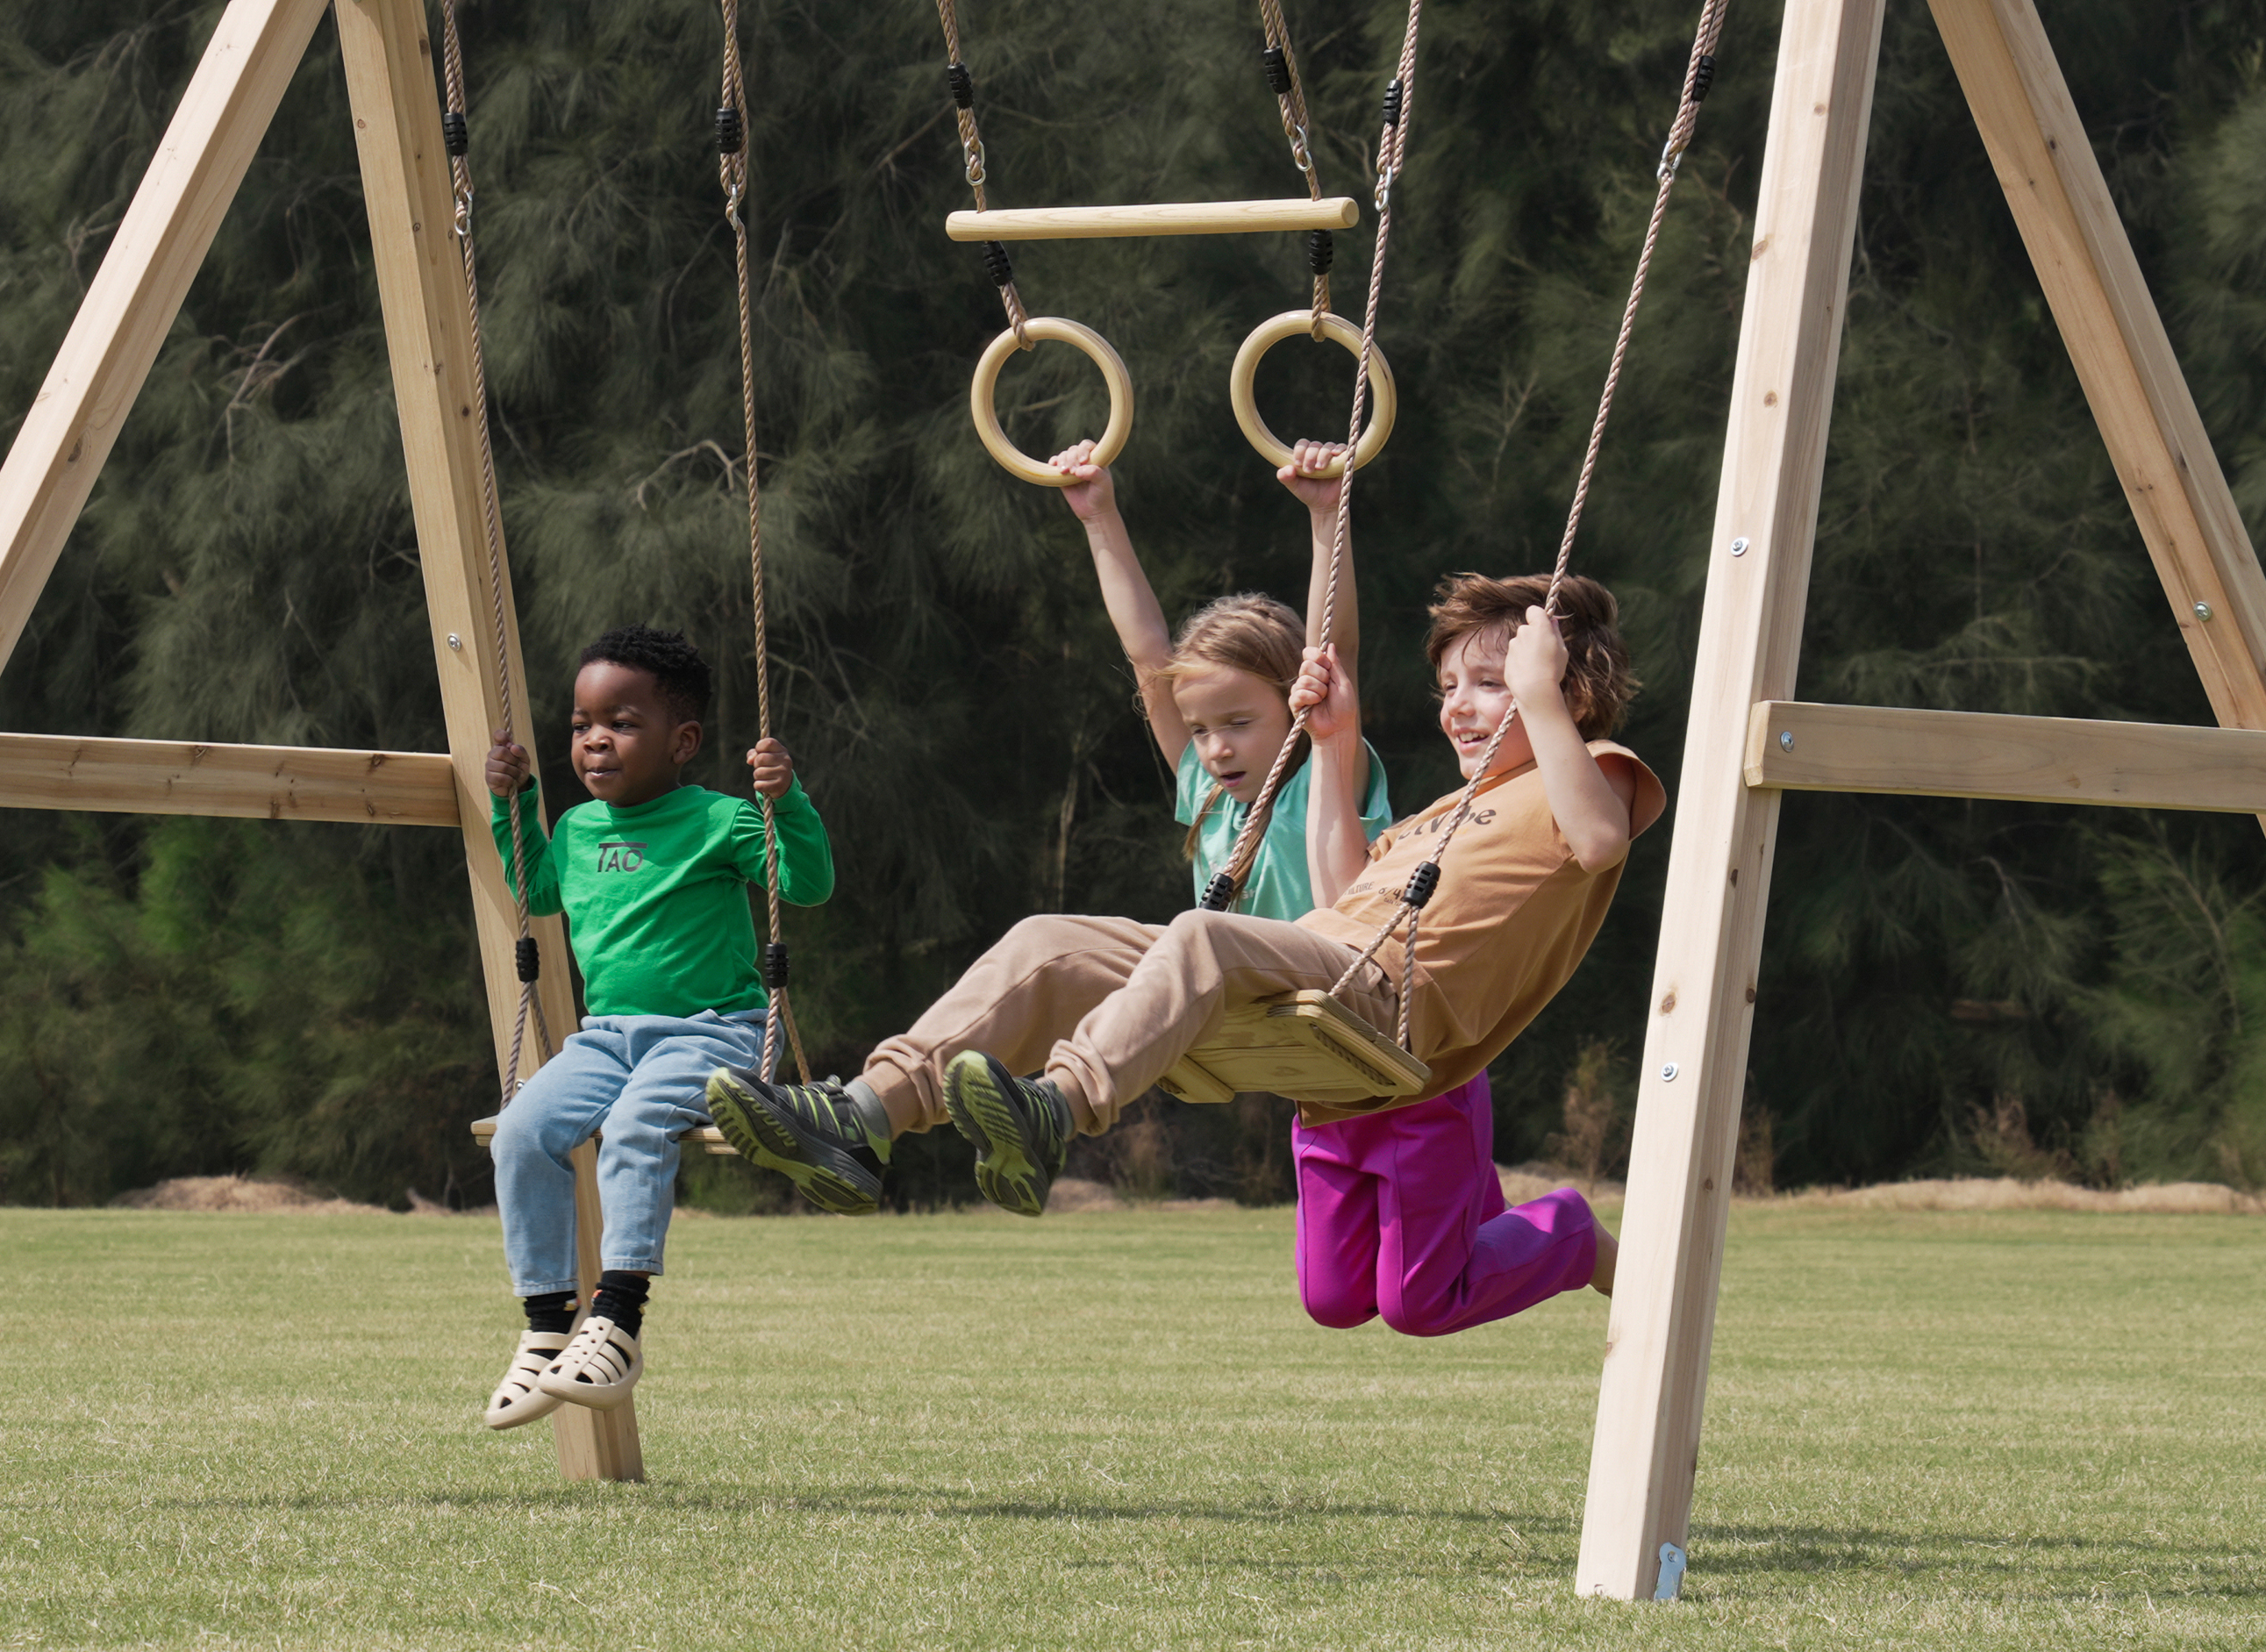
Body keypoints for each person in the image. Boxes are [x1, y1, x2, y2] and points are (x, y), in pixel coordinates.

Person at [707, 574, 1660, 1337]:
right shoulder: (1434, 817)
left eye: (1487, 684)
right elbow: (1337, 893)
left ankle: (1061, 1106)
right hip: (1319, 971)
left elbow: (1602, 841)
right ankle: (866, 1116)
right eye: (1448, 686)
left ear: (1565, 690)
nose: (1458, 706)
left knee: (1415, 1300)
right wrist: (1330, 747)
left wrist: (1535, 696)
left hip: (1394, 1009)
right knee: (1049, 943)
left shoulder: (1590, 775)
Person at [475, 623, 832, 1427]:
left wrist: (787, 802)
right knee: (520, 1131)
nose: (596, 741)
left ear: (684, 742)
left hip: (713, 1031)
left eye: (623, 723)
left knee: (639, 1124)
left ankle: (619, 1319)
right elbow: (535, 895)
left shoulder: (720, 822)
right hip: (607, 1037)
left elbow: (806, 885)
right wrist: (516, 803)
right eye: (581, 726)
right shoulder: (574, 831)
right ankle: (544, 1323)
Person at [1045, 432, 1394, 921]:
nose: (1216, 749)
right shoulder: (1209, 798)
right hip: (1237, 998)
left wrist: (1327, 515)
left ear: (1297, 701)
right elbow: (1146, 654)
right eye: (1200, 730)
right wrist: (1097, 517)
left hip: (1323, 993)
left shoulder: (1328, 774)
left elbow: (1334, 655)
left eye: (1238, 722)